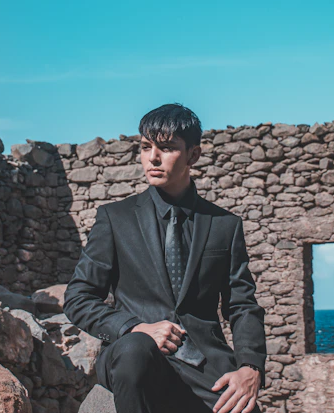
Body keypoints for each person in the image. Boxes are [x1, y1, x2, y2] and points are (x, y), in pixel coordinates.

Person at [64, 103, 266, 413]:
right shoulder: (115, 219)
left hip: (204, 361)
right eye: (146, 147)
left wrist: (251, 366)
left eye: (167, 148)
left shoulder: (225, 225)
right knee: (135, 350)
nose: (153, 158)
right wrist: (134, 328)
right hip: (133, 357)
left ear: (193, 155)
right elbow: (79, 297)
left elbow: (241, 305)